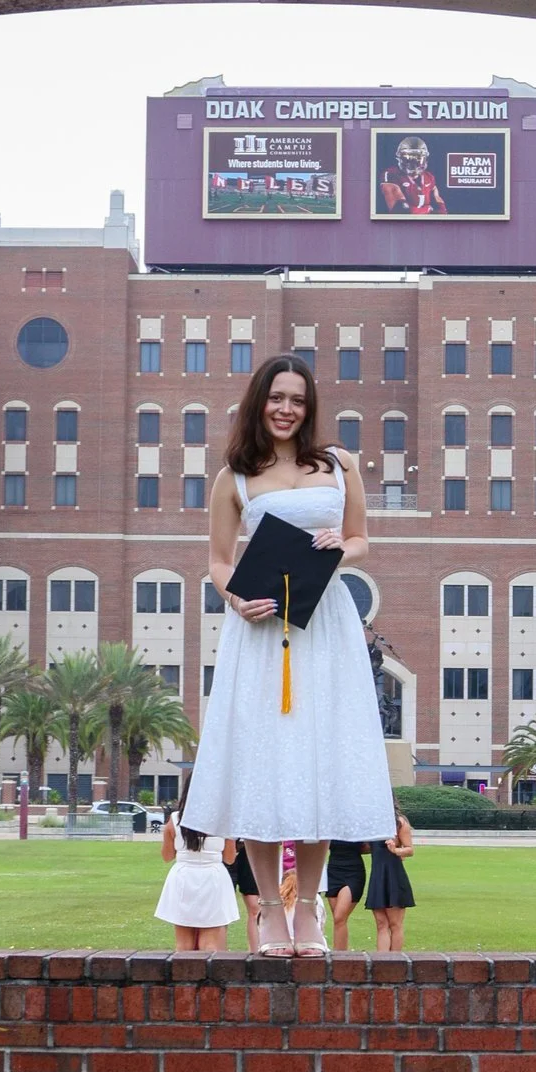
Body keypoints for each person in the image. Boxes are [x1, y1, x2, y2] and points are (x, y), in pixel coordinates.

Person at [183, 353, 396, 956]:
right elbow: (220, 563)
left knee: (316, 765)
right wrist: (233, 598)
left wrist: (341, 547)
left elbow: (360, 538)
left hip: (324, 629)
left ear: (310, 407)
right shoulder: (235, 478)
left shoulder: (339, 465)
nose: (286, 408)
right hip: (259, 636)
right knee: (262, 766)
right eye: (277, 397)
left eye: (297, 400)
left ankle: (308, 912)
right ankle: (268, 913)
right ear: (260, 402)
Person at [328, 809, 419, 956]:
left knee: (395, 924)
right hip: (377, 876)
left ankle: (395, 961)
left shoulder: (399, 822)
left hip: (394, 875)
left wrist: (396, 850)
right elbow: (366, 847)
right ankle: (382, 960)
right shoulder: (373, 824)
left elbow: (410, 849)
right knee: (381, 923)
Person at [156, 799, 238, 953]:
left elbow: (167, 856)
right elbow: (229, 858)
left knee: (184, 945)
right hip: (213, 878)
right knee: (210, 945)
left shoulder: (175, 819)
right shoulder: (223, 819)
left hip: (184, 878)